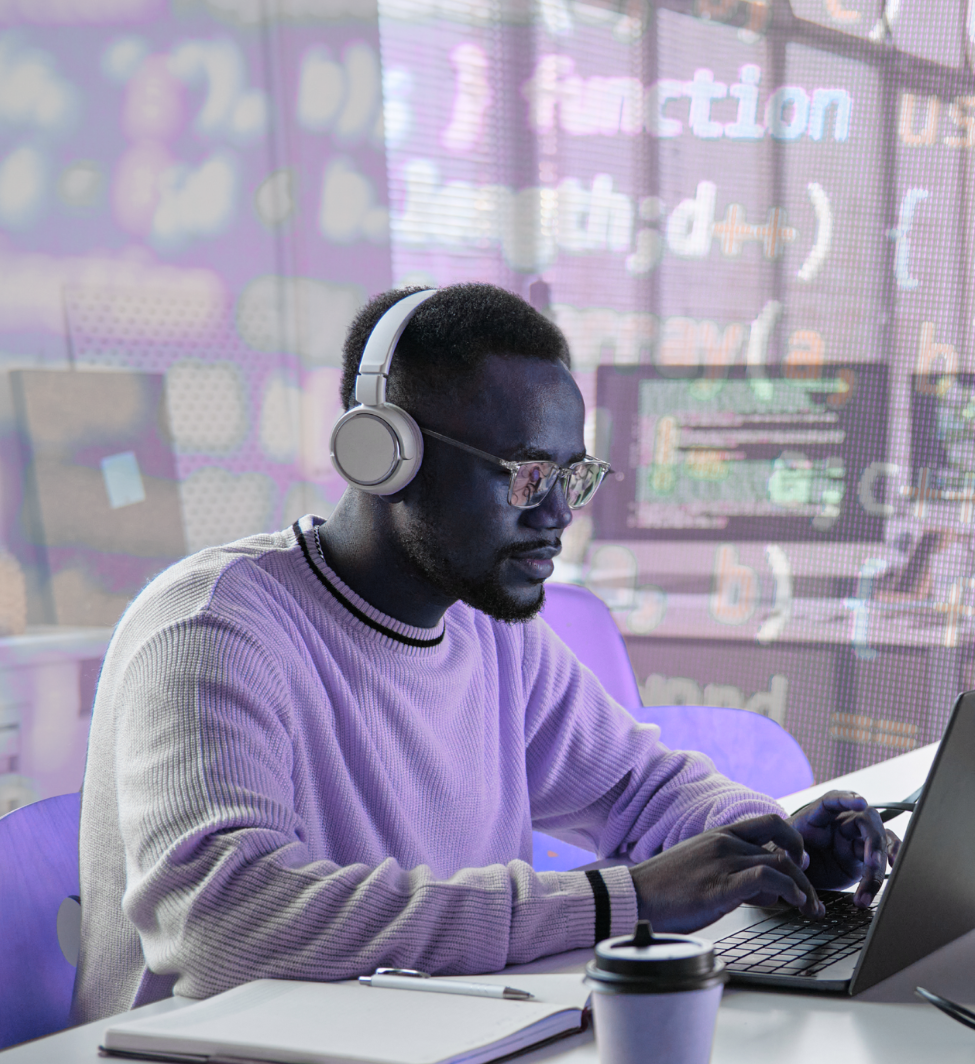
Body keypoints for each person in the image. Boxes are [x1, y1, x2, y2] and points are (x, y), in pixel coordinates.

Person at [73, 284, 891, 1023]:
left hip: (416, 1054)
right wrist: (618, 901)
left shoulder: (494, 632)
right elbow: (223, 921)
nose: (560, 515)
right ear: (385, 454)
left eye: (574, 476)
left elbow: (642, 790)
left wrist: (762, 843)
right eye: (527, 475)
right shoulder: (214, 629)